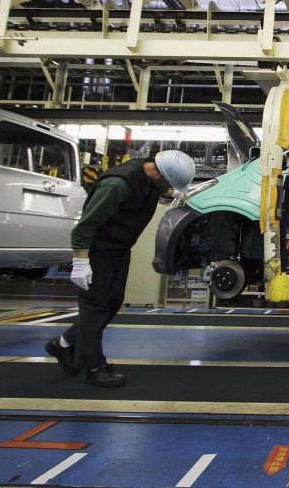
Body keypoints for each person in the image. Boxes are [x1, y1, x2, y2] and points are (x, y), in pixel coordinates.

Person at [45, 150, 195, 387]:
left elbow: (161, 195)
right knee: (95, 306)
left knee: (112, 302)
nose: (167, 188)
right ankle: (94, 367)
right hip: (97, 251)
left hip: (119, 250)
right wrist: (81, 262)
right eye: (167, 183)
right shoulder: (117, 185)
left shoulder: (151, 181)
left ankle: (63, 344)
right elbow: (85, 227)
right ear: (158, 174)